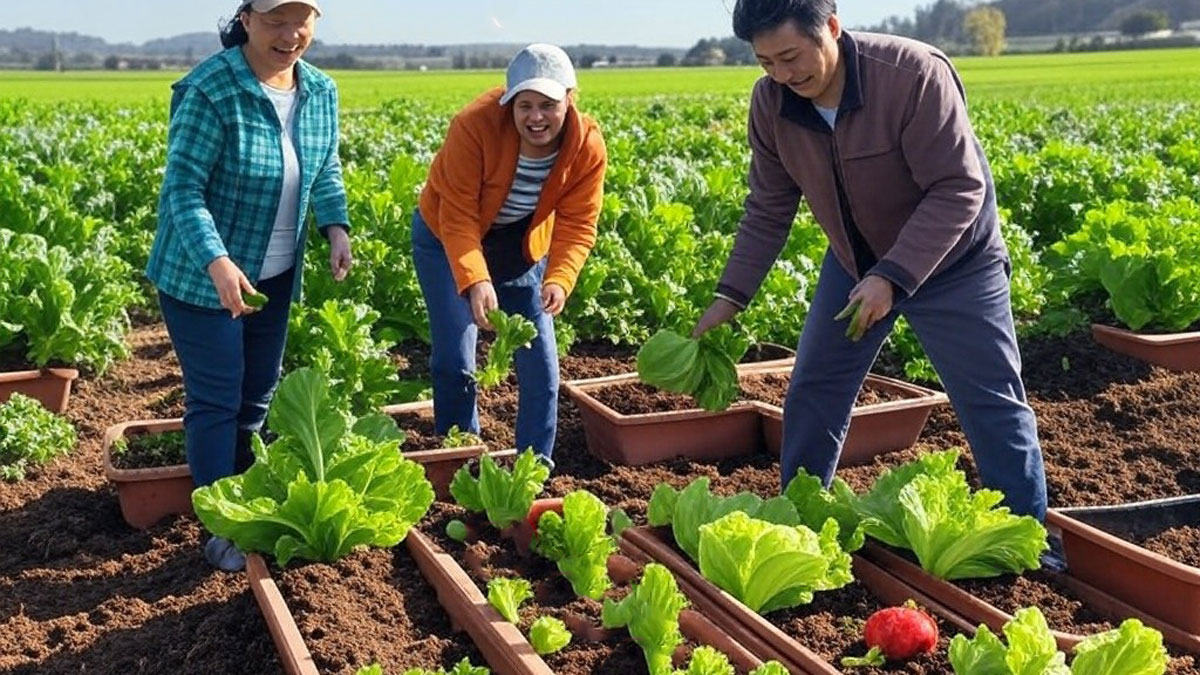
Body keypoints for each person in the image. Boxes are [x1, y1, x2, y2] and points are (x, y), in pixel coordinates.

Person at [693, 0, 1057, 559]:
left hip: (955, 262)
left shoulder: (912, 76)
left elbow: (959, 188)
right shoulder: (771, 104)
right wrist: (729, 297)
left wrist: (893, 276)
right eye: (766, 62)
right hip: (855, 261)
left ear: (832, 28)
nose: (783, 76)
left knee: (989, 400)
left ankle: (1027, 542)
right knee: (815, 388)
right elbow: (769, 206)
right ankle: (802, 521)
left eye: (790, 56)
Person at [145, 0, 351, 571]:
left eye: (300, 19)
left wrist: (336, 227)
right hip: (201, 275)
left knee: (257, 394)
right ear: (246, 20)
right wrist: (216, 262)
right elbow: (182, 191)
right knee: (217, 398)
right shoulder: (210, 89)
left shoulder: (320, 91)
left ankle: (240, 495)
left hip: (276, 270)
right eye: (274, 20)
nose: (289, 34)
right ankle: (219, 527)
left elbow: (325, 166)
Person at [413, 44, 607, 470]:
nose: (536, 117)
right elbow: (458, 214)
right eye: (525, 105)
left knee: (541, 361)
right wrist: (475, 279)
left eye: (548, 105)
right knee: (456, 355)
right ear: (510, 102)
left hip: (519, 246)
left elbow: (578, 223)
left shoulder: (587, 146)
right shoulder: (473, 126)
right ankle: (460, 459)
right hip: (445, 235)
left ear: (570, 100)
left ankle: (534, 468)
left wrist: (559, 278)